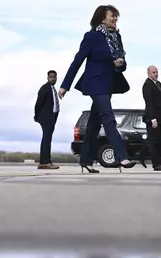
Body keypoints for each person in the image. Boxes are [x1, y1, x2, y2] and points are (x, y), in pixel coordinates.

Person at [57, 4, 136, 173]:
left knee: (94, 124)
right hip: (94, 83)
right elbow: (77, 60)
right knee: (108, 117)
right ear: (102, 18)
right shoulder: (92, 37)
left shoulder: (116, 37)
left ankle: (85, 160)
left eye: (116, 16)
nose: (115, 19)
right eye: (112, 16)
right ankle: (122, 156)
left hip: (108, 84)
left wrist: (120, 64)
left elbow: (121, 63)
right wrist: (65, 85)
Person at [139, 65, 161, 171]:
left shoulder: (158, 84)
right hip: (153, 118)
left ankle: (142, 153)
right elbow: (149, 103)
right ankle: (157, 164)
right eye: (153, 72)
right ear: (148, 73)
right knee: (155, 142)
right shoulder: (147, 85)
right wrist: (153, 118)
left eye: (156, 72)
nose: (156, 74)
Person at [34, 70, 61, 169]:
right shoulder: (44, 88)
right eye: (51, 77)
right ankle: (44, 162)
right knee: (46, 138)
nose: (53, 79)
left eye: (54, 77)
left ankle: (45, 161)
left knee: (48, 138)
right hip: (46, 118)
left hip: (52, 117)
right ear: (47, 78)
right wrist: (37, 116)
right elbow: (38, 104)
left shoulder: (53, 89)